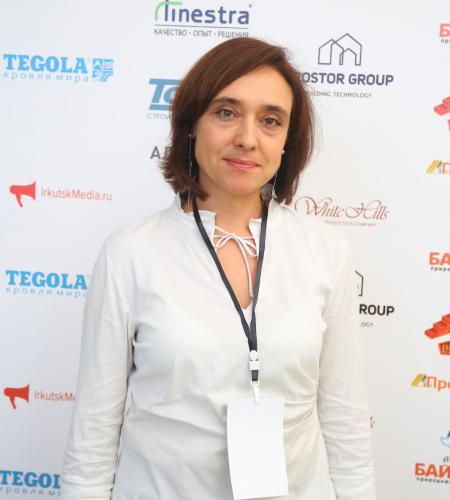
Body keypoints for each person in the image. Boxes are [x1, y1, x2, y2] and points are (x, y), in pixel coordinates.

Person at [61, 37, 376, 499]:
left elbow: (345, 416)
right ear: (191, 124)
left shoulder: (326, 249)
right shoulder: (129, 254)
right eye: (226, 112)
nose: (248, 138)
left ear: (287, 141)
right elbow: (94, 430)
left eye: (270, 120)